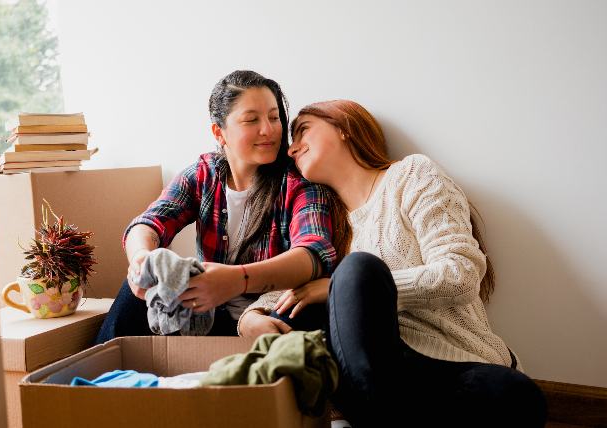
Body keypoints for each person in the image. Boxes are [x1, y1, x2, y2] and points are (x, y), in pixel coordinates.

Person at [242, 99, 547, 427]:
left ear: (344, 127)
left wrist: (351, 289)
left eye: (303, 130)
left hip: (450, 370)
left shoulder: (411, 175)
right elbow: (295, 292)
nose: (292, 148)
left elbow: (461, 271)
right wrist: (249, 318)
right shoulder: (325, 224)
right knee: (301, 308)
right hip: (373, 376)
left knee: (359, 271)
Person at [95, 71, 338, 343]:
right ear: (219, 132)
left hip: (268, 314)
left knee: (301, 311)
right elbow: (150, 222)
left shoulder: (299, 183)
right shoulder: (204, 174)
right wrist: (141, 257)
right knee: (134, 291)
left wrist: (238, 280)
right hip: (207, 317)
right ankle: (91, 384)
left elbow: (314, 255)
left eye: (273, 117)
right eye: (251, 120)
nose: (269, 130)